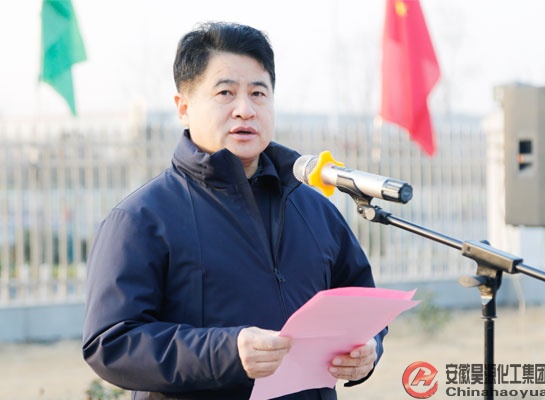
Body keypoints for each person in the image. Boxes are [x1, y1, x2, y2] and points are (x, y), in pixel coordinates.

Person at [82, 21, 387, 400]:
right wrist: (226, 351)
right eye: (225, 93)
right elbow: (111, 342)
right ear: (183, 108)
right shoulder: (141, 218)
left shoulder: (314, 209)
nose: (245, 110)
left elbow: (361, 303)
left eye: (258, 93)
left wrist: (368, 348)